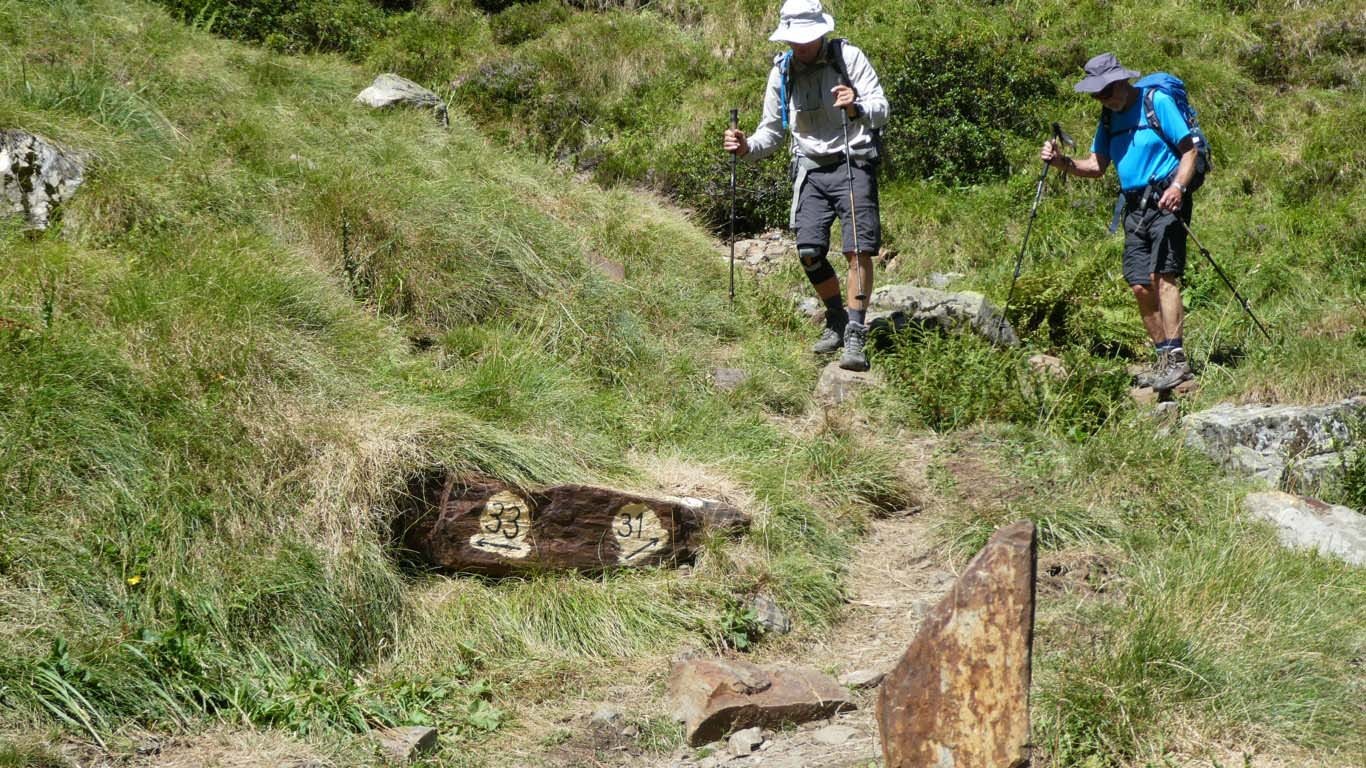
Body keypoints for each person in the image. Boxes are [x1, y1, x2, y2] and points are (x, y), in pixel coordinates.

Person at [724, 0, 889, 372]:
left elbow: (882, 107)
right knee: (809, 251)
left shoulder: (848, 58)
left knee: (858, 249)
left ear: (820, 32)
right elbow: (771, 131)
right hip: (811, 169)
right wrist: (747, 146)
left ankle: (856, 335)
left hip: (853, 160)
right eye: (794, 39)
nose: (800, 45)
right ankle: (836, 317)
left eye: (807, 38)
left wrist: (856, 103)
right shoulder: (781, 72)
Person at [1042, 53, 1202, 391]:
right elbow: (1097, 167)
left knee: (1164, 275)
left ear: (1120, 81)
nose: (1102, 99)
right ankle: (1163, 359)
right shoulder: (1109, 119)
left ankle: (1177, 363)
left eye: (1105, 91)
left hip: (1166, 199)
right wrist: (1061, 162)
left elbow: (1190, 150)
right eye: (1096, 94)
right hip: (1134, 207)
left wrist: (1178, 187)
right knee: (1140, 285)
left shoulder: (1154, 102)